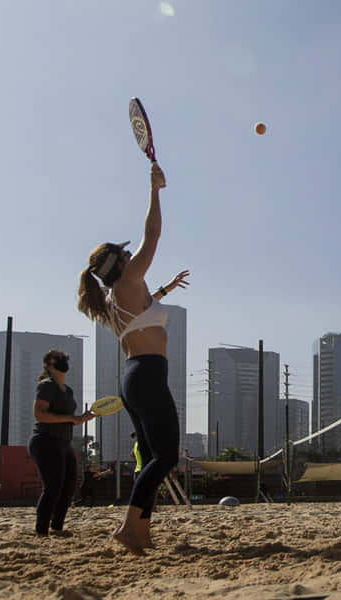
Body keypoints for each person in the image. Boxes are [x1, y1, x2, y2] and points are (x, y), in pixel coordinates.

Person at [77, 162, 190, 554]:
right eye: (126, 255)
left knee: (152, 460)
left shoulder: (114, 297)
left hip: (134, 377)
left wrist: (165, 289)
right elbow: (152, 234)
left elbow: (146, 307)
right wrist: (155, 190)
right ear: (121, 264)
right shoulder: (126, 282)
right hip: (146, 376)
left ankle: (140, 530)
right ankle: (128, 526)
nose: (131, 256)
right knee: (166, 456)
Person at [28, 350, 95, 535]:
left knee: (68, 487)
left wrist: (80, 419)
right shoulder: (46, 386)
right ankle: (41, 530)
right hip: (45, 441)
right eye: (57, 360)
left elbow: (68, 418)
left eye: (64, 358)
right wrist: (71, 418)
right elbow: (39, 414)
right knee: (52, 487)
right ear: (48, 366)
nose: (62, 362)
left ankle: (57, 527)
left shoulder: (68, 390)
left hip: (64, 442)